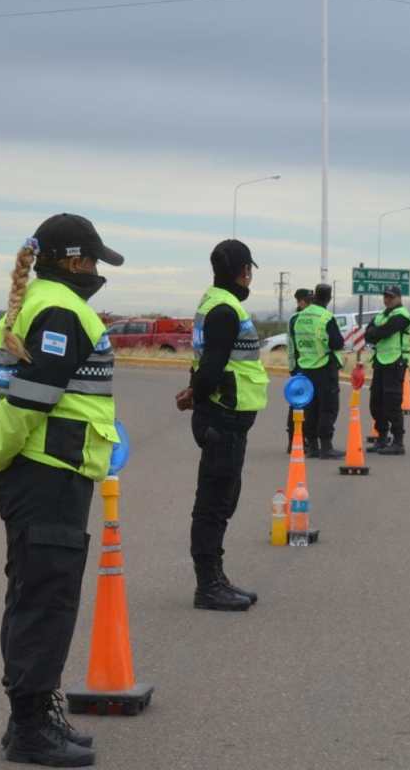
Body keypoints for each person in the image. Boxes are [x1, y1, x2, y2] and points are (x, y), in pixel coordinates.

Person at [0, 214, 124, 767]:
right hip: (50, 470)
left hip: (41, 470)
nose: (97, 272)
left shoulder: (33, 303)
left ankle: (31, 714)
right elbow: (31, 399)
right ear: (75, 261)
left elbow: (9, 396)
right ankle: (31, 725)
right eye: (94, 261)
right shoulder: (61, 309)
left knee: (32, 594)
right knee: (46, 600)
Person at [175, 239, 269, 612]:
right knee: (214, 503)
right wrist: (196, 394)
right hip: (222, 418)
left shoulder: (214, 302)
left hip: (226, 417)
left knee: (223, 498)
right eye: (248, 271)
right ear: (242, 271)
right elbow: (212, 367)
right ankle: (208, 584)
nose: (249, 278)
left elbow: (210, 362)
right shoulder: (225, 310)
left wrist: (194, 392)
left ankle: (216, 577)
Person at [291, 283, 346, 459]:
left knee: (310, 408)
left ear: (314, 296)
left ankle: (312, 446)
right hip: (324, 367)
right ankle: (326, 446)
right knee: (327, 408)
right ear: (329, 298)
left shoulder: (300, 317)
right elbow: (337, 343)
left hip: (305, 368)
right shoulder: (326, 317)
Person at [365, 285, 410, 456]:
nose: (387, 299)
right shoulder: (381, 315)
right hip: (380, 362)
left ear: (399, 298)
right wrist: (375, 332)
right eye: (385, 296)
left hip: (395, 363)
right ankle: (382, 438)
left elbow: (384, 332)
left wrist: (376, 332)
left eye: (391, 297)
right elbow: (368, 333)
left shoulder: (403, 316)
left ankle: (398, 442)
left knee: (392, 404)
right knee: (376, 403)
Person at [285, 287, 314, 452]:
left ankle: (302, 438)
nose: (311, 304)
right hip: (299, 366)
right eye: (308, 301)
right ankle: (294, 439)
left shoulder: (301, 317)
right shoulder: (297, 318)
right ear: (300, 302)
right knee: (298, 404)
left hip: (304, 364)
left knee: (305, 404)